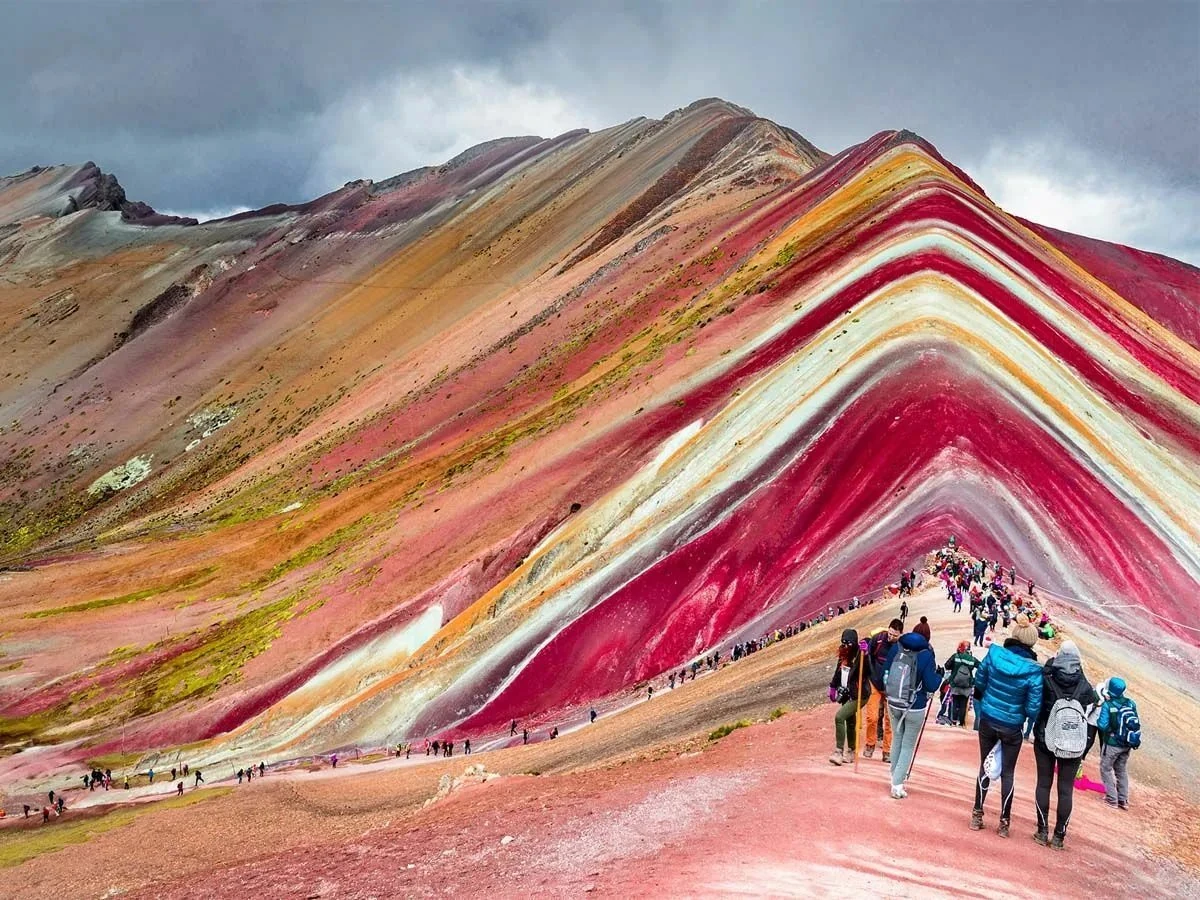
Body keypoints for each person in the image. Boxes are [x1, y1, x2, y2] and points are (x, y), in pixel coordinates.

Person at [970, 614, 1042, 837]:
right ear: (1031, 643)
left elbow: (979, 683)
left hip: (989, 719)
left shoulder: (993, 655)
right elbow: (1033, 708)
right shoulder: (1034, 670)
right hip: (1012, 726)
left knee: (985, 764)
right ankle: (1004, 822)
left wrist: (984, 706)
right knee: (1007, 773)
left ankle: (977, 813)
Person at [1032, 641, 1098, 849]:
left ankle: (1042, 831)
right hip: (1073, 741)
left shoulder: (1047, 676)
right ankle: (1059, 836)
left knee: (1044, 783)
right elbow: (1091, 704)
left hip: (1045, 737)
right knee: (1065, 790)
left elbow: (1037, 702)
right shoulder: (1084, 684)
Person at [882, 627, 942, 798]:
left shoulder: (896, 648)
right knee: (908, 745)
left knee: (897, 739)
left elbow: (884, 673)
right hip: (915, 706)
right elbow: (931, 685)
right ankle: (897, 784)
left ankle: (894, 775)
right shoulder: (926, 655)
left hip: (893, 702)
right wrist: (939, 676)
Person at [828, 629, 871, 766]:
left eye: (848, 643)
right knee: (850, 721)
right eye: (843, 642)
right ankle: (851, 751)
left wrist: (867, 654)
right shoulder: (843, 655)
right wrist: (833, 686)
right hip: (847, 693)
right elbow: (838, 672)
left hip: (859, 694)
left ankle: (838, 752)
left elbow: (868, 670)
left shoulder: (860, 655)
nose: (845, 645)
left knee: (840, 717)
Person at [863, 620, 903, 761]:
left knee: (890, 721)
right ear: (888, 629)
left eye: (895, 635)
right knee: (872, 717)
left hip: (892, 688)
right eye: (890, 633)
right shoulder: (878, 639)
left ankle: (887, 750)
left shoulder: (901, 648)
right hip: (875, 683)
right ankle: (870, 744)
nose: (891, 637)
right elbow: (869, 655)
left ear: (900, 635)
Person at [1097, 677, 1139, 810]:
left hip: (1112, 743)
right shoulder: (1130, 703)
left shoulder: (1108, 705)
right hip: (1127, 743)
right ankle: (1123, 799)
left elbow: (1102, 725)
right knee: (1121, 769)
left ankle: (1112, 799)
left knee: (1106, 768)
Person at [944, 641, 978, 726]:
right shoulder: (972, 659)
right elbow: (981, 667)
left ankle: (953, 721)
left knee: (955, 702)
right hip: (967, 685)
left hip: (955, 683)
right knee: (963, 704)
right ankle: (961, 723)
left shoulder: (956, 656)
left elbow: (946, 666)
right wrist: (974, 679)